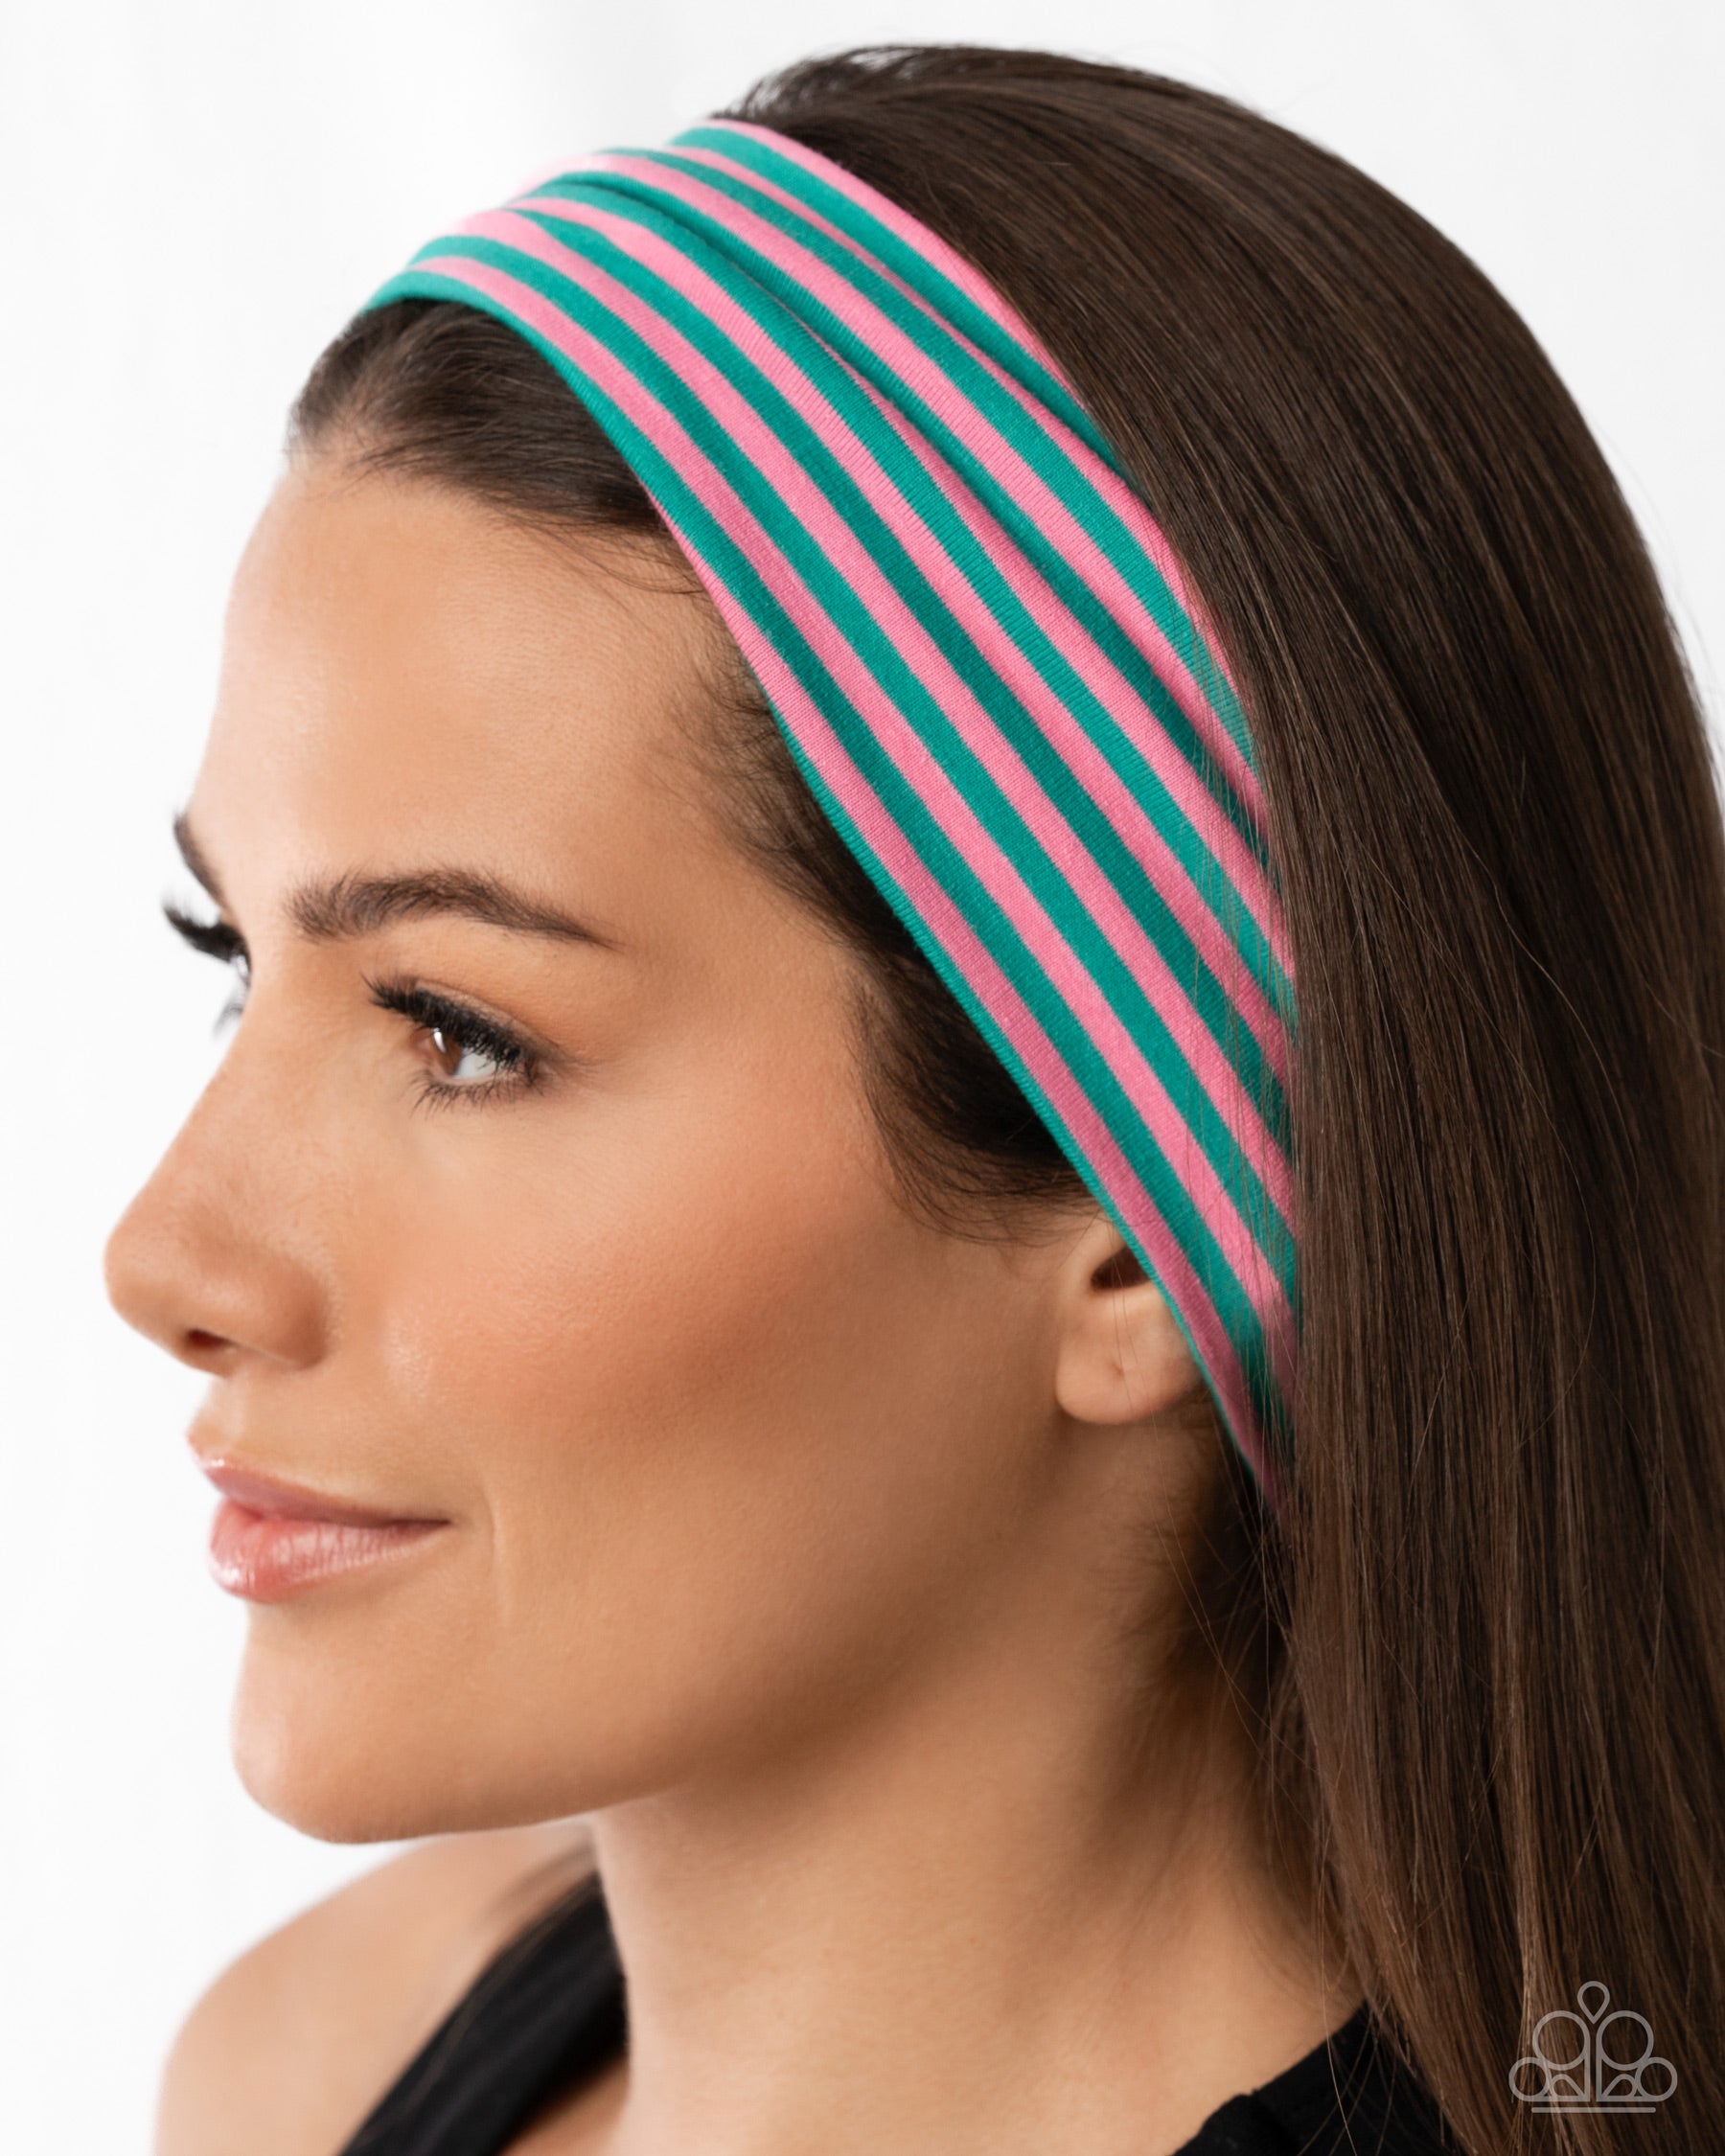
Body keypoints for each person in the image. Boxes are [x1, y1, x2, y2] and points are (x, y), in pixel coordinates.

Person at [103, 42, 1723, 2156]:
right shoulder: (307, 2076)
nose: (164, 1256)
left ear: (1148, 1230)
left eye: (460, 1028)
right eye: (241, 966)